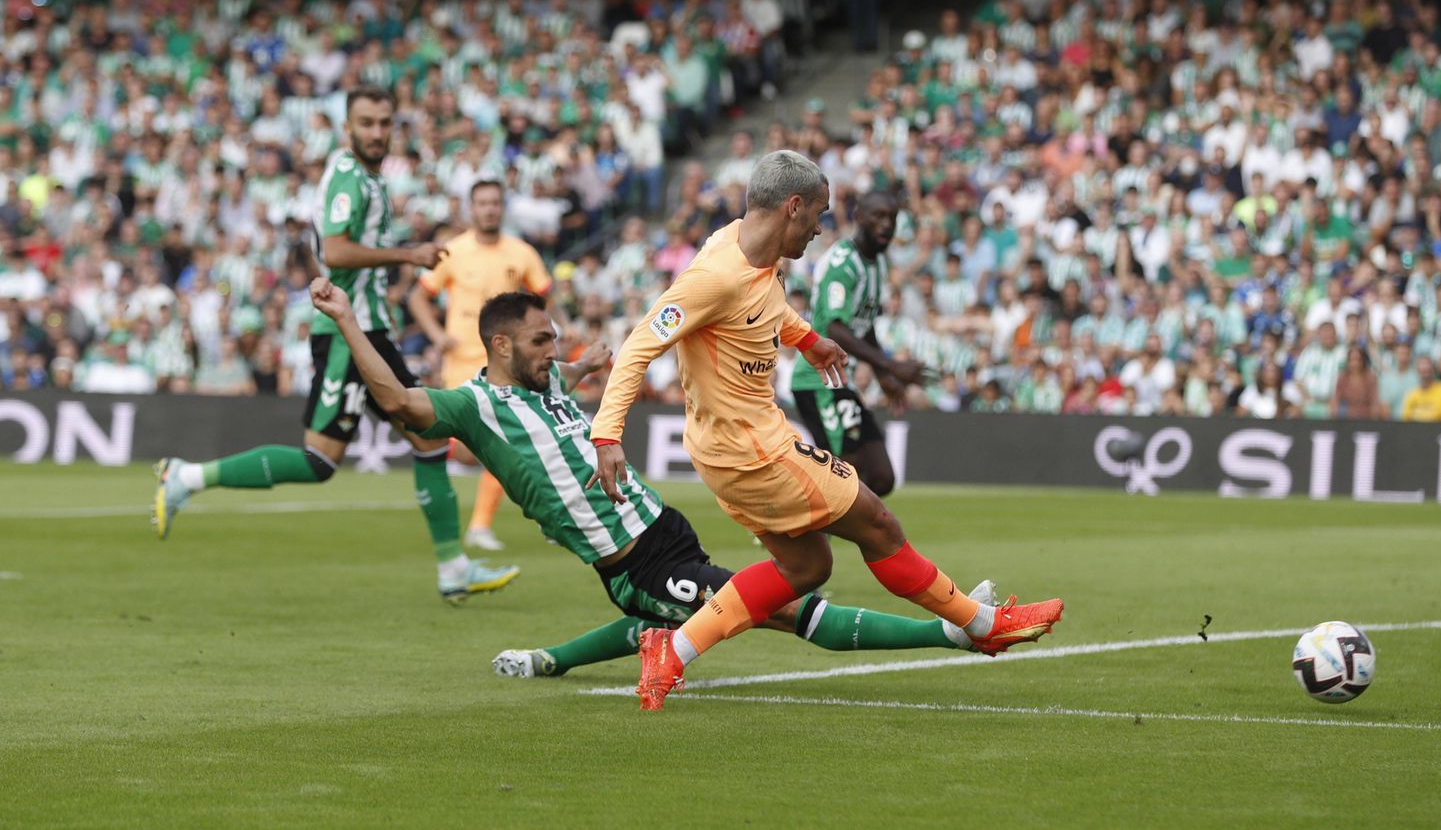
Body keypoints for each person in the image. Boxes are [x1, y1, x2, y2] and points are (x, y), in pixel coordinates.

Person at [310, 282, 998, 676]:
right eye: (541, 341)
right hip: (633, 561)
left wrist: (582, 365)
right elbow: (397, 400)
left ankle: (548, 661)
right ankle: (950, 634)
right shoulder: (472, 406)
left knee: (663, 620)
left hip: (665, 528)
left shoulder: (546, 382)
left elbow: (561, 376)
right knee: (786, 609)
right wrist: (345, 319)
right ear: (499, 345)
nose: (553, 351)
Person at [586, 151, 1063, 710]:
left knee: (807, 567)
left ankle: (674, 648)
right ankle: (983, 625)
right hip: (754, 453)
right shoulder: (712, 276)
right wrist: (607, 436)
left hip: (730, 450)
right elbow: (640, 344)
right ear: (793, 206)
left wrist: (808, 340)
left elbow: (766, 307)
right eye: (818, 214)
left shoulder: (751, 250)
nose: (819, 228)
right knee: (877, 523)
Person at [153, 86, 518, 603]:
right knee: (324, 460)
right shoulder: (349, 176)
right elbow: (338, 252)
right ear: (347, 128)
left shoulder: (371, 178)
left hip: (369, 329)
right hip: (350, 334)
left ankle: (453, 568)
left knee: (429, 438)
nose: (376, 132)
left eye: (384, 123)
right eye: (366, 123)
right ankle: (186, 476)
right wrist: (407, 255)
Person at [408, 179, 554, 553]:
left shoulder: (521, 253)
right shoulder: (454, 252)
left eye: (494, 202)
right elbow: (418, 297)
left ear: (502, 207)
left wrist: (543, 338)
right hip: (460, 363)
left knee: (506, 441)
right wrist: (437, 335)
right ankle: (430, 447)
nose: (489, 209)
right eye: (482, 203)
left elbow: (543, 298)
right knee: (473, 448)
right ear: (471, 209)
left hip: (505, 364)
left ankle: (481, 525)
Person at [789, 190, 925, 495]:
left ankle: (807, 516)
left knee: (881, 477)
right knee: (845, 474)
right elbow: (836, 329)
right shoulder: (844, 263)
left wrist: (883, 375)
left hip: (841, 381)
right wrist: (890, 364)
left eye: (891, 218)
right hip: (817, 380)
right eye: (878, 216)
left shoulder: (877, 263)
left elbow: (864, 324)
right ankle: (793, 516)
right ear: (859, 217)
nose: (886, 224)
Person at [1400, 356, 1441, 422]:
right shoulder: (1411, 394)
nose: (1425, 375)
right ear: (1417, 372)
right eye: (1422, 371)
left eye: (1427, 370)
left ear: (1433, 370)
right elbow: (1406, 418)